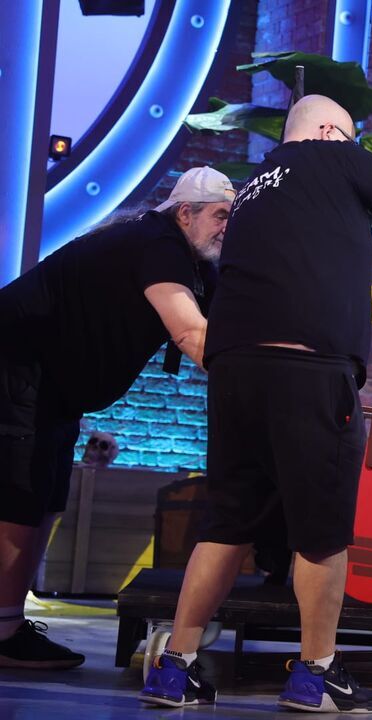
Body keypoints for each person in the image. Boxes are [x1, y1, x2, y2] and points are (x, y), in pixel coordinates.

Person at [138, 94, 372, 712]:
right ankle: (316, 674)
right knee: (321, 530)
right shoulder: (330, 156)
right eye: (348, 135)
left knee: (228, 522)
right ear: (329, 132)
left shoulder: (254, 187)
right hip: (308, 370)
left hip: (235, 371)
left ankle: (176, 666)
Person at [0, 167, 233, 669]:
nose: (226, 227)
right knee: (19, 495)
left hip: (52, 382)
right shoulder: (158, 243)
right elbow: (192, 334)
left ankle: (9, 623)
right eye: (220, 215)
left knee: (45, 495)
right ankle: (3, 631)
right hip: (15, 363)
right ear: (185, 213)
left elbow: (229, 327)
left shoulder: (196, 264)